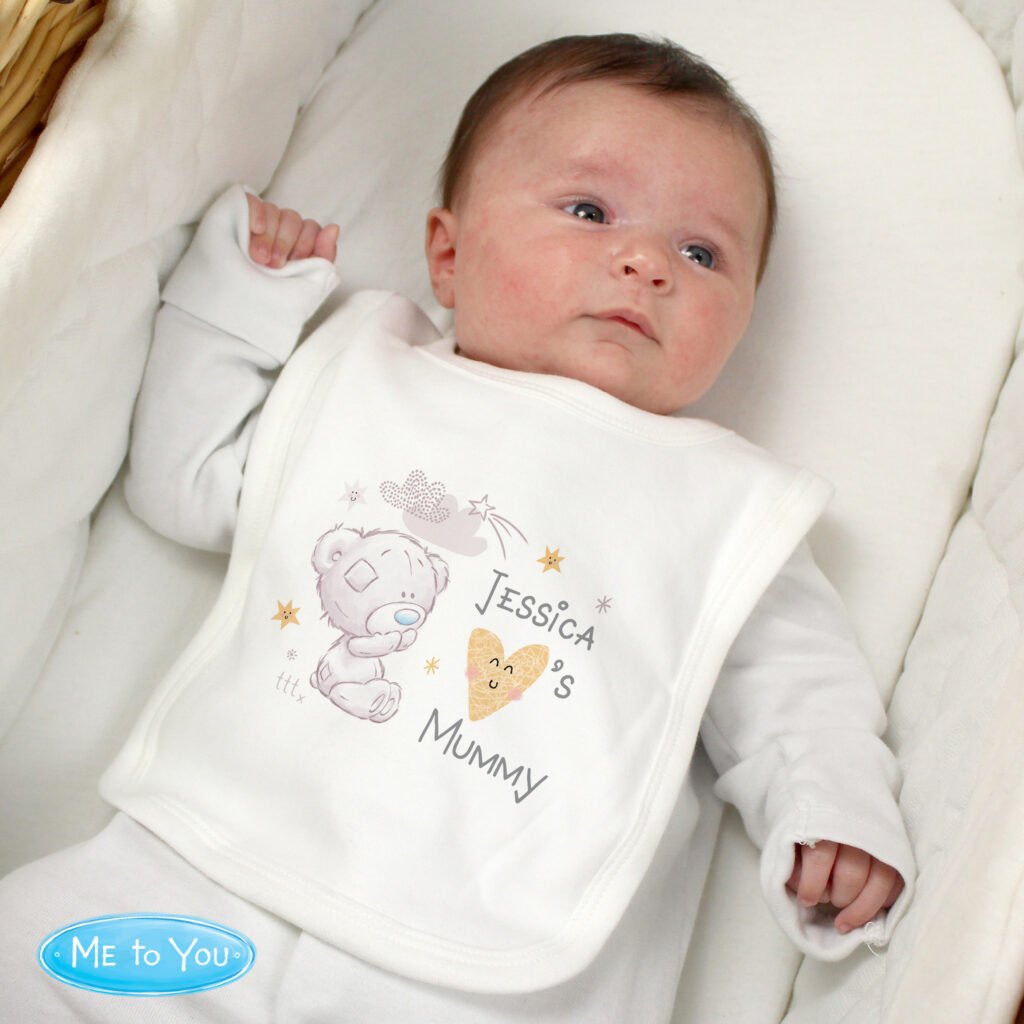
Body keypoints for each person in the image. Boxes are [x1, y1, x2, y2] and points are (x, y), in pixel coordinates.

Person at [0, 33, 913, 1023]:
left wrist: (833, 807)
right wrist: (236, 305)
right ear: (447, 252)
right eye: (589, 211)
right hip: (206, 875)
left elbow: (799, 690)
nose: (647, 262)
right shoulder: (368, 380)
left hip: (492, 976)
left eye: (703, 253)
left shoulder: (717, 503)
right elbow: (185, 482)